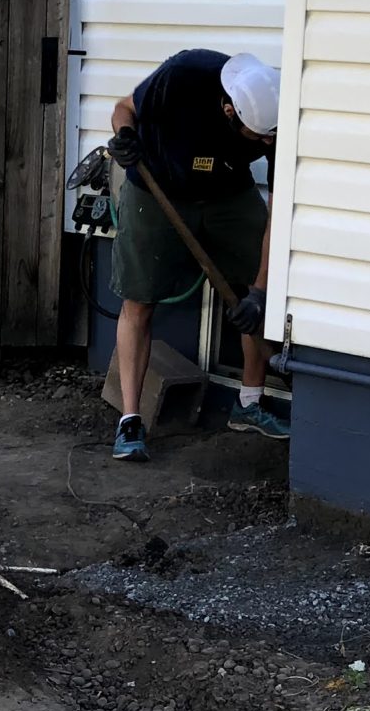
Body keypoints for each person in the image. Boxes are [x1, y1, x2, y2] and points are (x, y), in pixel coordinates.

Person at [104, 50, 286, 460]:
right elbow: (123, 108)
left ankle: (250, 403)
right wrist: (126, 136)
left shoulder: (276, 118)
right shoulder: (182, 77)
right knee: (139, 300)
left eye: (271, 136)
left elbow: (276, 215)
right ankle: (130, 420)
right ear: (229, 110)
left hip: (227, 192)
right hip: (157, 188)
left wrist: (259, 291)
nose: (267, 143)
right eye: (258, 137)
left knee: (259, 296)